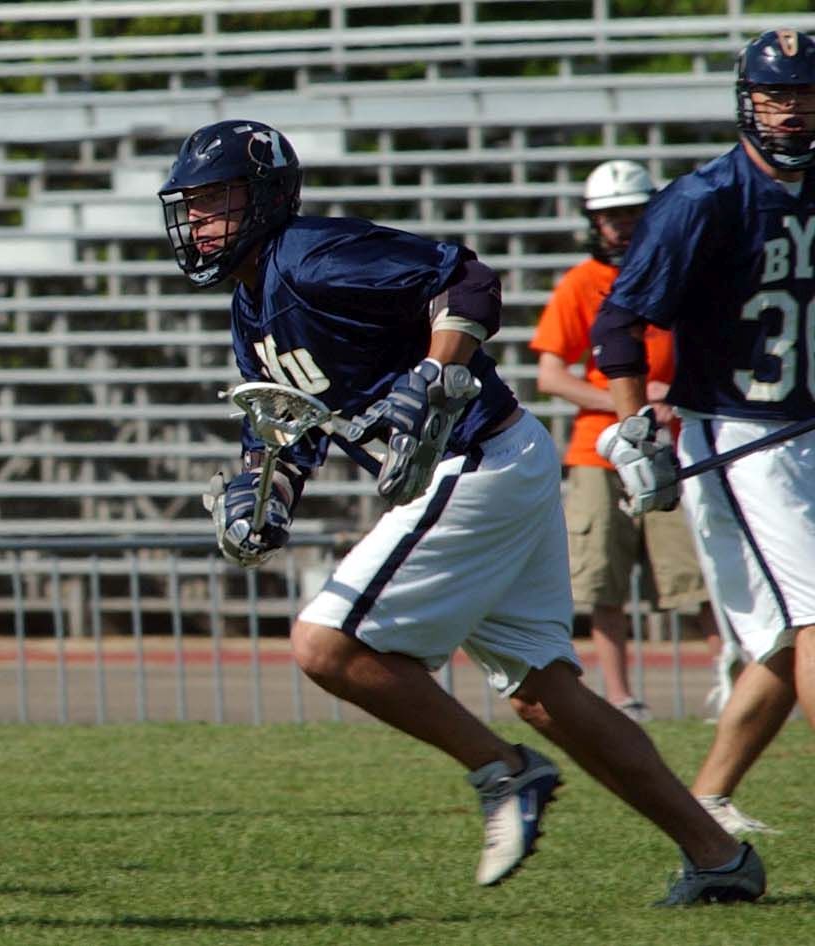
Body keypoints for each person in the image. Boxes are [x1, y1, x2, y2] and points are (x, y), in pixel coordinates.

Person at [160, 120, 763, 904]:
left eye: (216, 201)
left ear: (268, 196)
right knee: (546, 694)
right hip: (501, 460)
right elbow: (285, 432)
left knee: (324, 644)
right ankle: (719, 858)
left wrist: (434, 374)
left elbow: (466, 279)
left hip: (475, 457)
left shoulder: (310, 256)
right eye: (191, 206)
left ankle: (503, 773)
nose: (198, 221)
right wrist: (264, 496)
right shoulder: (251, 308)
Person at [591, 27, 815, 839]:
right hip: (743, 436)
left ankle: (706, 807)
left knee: (786, 643)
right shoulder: (703, 199)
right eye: (776, 94)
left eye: (806, 93)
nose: (791, 110)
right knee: (813, 623)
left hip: (805, 425)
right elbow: (619, 323)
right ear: (747, 100)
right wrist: (633, 427)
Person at [530, 159, 732, 722]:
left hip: (677, 447)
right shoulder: (580, 283)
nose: (621, 225)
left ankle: (731, 684)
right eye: (611, 216)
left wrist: (674, 396)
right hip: (600, 451)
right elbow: (552, 376)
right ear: (593, 222)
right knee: (603, 584)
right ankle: (621, 696)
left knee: (695, 576)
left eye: (632, 214)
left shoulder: (684, 275)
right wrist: (631, 401)